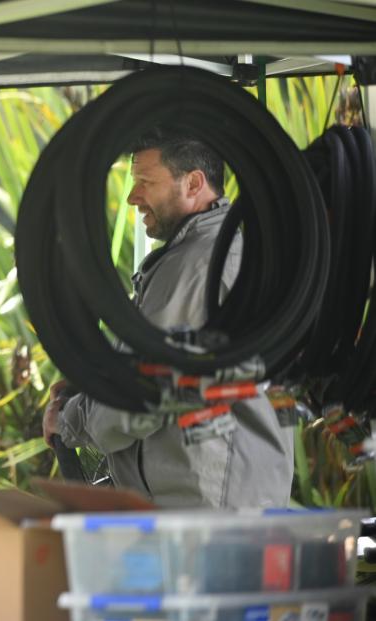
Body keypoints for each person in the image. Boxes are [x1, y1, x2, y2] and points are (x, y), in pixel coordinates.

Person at [43, 126, 294, 508]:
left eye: (145, 181)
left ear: (193, 183)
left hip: (207, 515)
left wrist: (66, 419)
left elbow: (137, 395)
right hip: (231, 504)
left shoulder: (194, 269)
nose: (132, 197)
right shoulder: (223, 252)